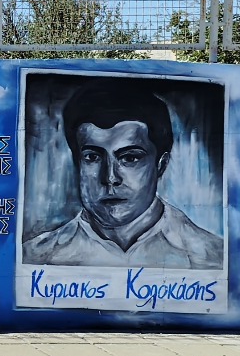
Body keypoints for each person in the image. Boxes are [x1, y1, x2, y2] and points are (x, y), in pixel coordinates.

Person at [22, 82, 223, 269]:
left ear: (161, 165)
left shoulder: (212, 258)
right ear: (77, 164)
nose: (110, 178)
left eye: (130, 158)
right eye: (92, 157)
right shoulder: (36, 257)